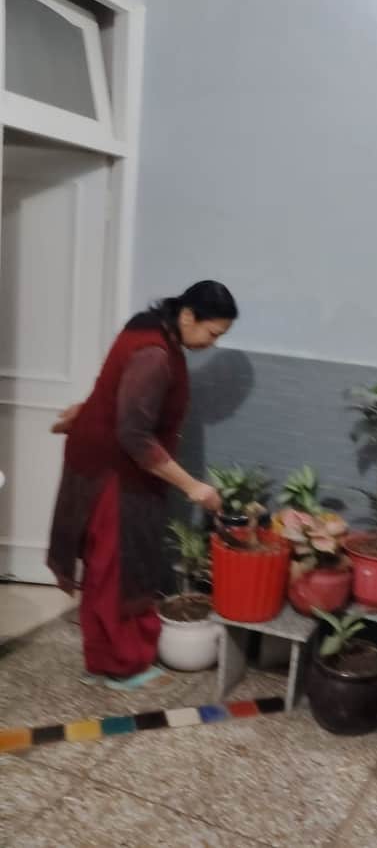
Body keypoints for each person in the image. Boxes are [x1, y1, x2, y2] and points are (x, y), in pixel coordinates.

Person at [47, 281, 235, 689]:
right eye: (212, 332)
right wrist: (194, 487)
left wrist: (87, 410)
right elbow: (134, 435)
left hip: (101, 462)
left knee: (106, 566)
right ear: (188, 316)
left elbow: (114, 387)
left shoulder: (148, 326)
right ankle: (121, 665)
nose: (212, 343)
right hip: (113, 473)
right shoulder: (155, 353)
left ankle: (102, 660)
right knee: (117, 568)